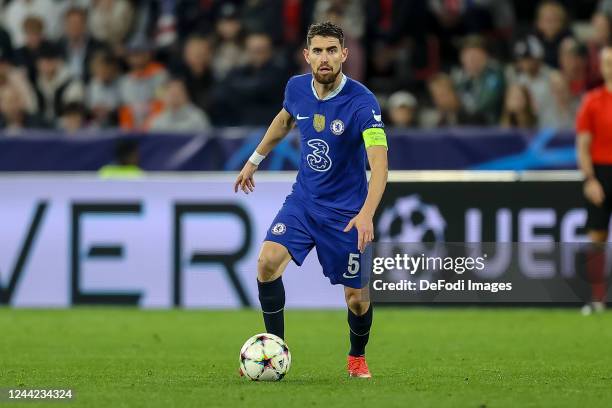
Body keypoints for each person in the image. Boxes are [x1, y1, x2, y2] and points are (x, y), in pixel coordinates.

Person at [234, 22, 388, 378]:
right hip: (304, 203)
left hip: (347, 215)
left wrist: (367, 214)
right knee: (267, 262)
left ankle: (356, 356)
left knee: (357, 300)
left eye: (332, 50)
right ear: (307, 55)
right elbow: (284, 119)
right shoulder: (296, 87)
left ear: (344, 55)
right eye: (317, 51)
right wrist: (253, 161)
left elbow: (379, 165)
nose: (324, 58)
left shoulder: (362, 103)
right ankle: (273, 351)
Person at [575, 45, 612, 314]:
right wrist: (590, 179)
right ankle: (596, 299)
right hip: (601, 173)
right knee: (597, 235)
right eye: (607, 62)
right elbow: (583, 145)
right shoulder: (592, 100)